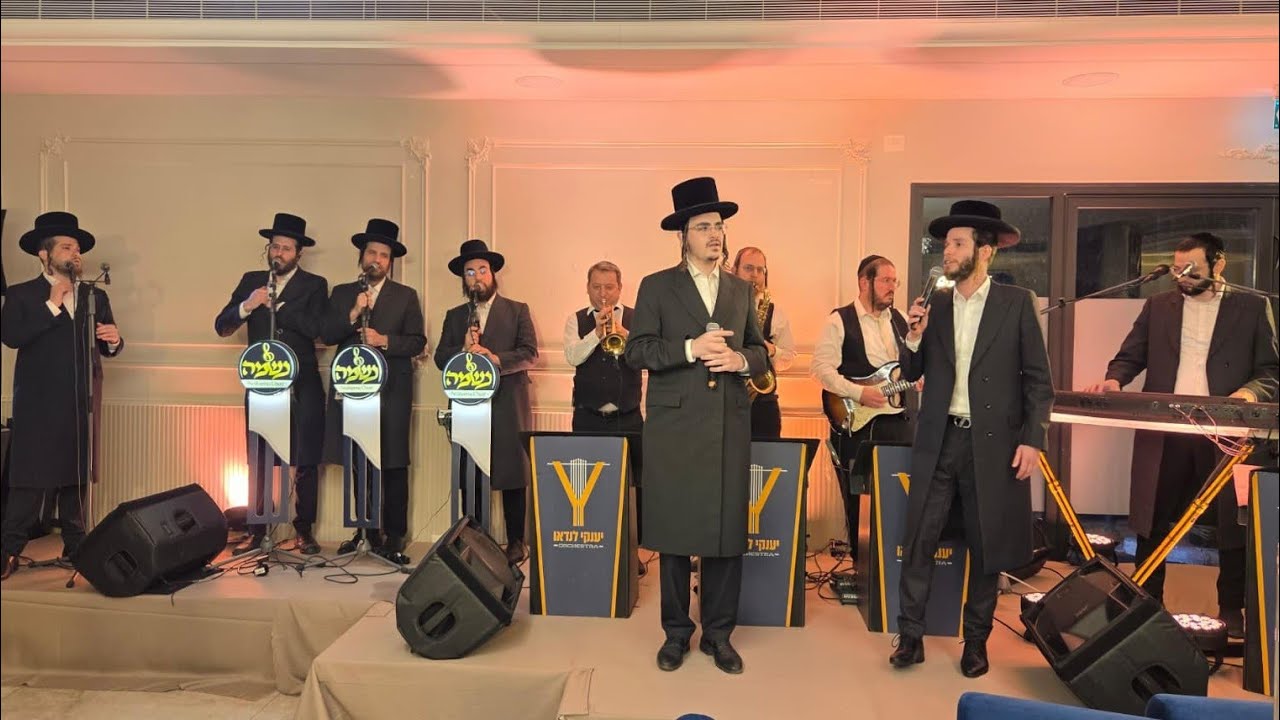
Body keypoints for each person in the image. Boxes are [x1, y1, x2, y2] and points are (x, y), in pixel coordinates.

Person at [889, 200, 1053, 678]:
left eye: (957, 244)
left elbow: (1038, 381)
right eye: (946, 244)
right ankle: (911, 636)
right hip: (938, 440)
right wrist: (913, 337)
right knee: (919, 540)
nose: (947, 252)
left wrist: (1033, 440)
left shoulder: (1016, 302)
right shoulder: (935, 305)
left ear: (985, 250)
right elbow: (912, 371)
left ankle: (976, 643)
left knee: (986, 546)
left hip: (993, 446)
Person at [1085, 232, 1278, 637]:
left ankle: (1232, 609)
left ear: (1218, 264)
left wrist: (1247, 393)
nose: (1182, 277)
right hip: (1167, 427)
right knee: (1153, 518)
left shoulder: (1251, 306)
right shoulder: (1159, 306)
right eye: (1177, 269)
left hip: (1225, 432)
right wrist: (1114, 380)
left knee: (1232, 522)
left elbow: (1270, 371)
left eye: (1192, 269)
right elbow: (1130, 355)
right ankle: (1146, 601)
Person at [624, 177, 769, 675]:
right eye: (704, 226)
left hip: (728, 424)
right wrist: (690, 349)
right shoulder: (656, 286)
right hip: (675, 429)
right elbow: (637, 351)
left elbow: (760, 350)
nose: (715, 234)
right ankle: (675, 634)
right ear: (683, 235)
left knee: (726, 534)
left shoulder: (741, 289)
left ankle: (719, 635)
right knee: (675, 534)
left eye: (719, 226)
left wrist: (740, 360)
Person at [2, 212, 124, 580]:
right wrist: (52, 305)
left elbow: (106, 346)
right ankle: (9, 548)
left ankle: (77, 547)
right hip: (37, 402)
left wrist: (114, 341)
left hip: (79, 400)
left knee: (76, 475)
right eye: (67, 247)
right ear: (45, 254)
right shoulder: (22, 294)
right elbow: (12, 337)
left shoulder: (94, 295)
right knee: (30, 477)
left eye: (78, 249)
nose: (76, 254)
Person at [215, 213, 328, 555]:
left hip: (303, 384)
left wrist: (280, 306)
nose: (279, 253)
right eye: (275, 247)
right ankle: (257, 530)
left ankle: (304, 530)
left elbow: (318, 329)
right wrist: (249, 305)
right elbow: (222, 326)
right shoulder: (251, 281)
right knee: (260, 458)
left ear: (298, 253)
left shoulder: (314, 284)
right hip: (262, 382)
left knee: (305, 457)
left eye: (286, 248)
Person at [323, 219, 426, 564]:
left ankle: (394, 536)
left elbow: (417, 341)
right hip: (353, 390)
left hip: (392, 392)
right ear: (362, 256)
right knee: (359, 461)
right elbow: (327, 334)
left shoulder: (406, 296)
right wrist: (354, 312)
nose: (377, 260)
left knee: (393, 463)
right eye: (372, 253)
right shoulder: (342, 293)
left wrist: (385, 340)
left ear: (390, 262)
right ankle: (364, 531)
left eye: (383, 255)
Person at [433, 239, 538, 565]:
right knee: (471, 470)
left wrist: (495, 358)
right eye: (470, 272)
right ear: (464, 280)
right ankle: (473, 538)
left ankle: (516, 541)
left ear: (493, 274)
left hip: (507, 402)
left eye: (482, 270)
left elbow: (529, 353)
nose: (477, 277)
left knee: (512, 472)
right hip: (468, 404)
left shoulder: (517, 310)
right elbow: (440, 358)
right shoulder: (455, 316)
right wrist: (462, 350)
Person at [810, 255, 914, 560]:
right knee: (858, 499)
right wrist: (859, 393)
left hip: (898, 421)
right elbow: (820, 369)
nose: (892, 287)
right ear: (864, 282)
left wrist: (919, 376)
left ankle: (892, 566)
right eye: (885, 280)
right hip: (855, 423)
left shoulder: (901, 320)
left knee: (897, 496)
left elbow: (911, 367)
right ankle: (862, 567)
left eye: (894, 281)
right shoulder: (838, 321)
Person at [730, 247, 796, 439]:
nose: (755, 275)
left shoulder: (776, 313)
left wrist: (772, 350)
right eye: (748, 268)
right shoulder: (720, 309)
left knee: (767, 455)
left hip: (763, 404)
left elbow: (789, 358)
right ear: (734, 271)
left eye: (760, 270)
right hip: (728, 401)